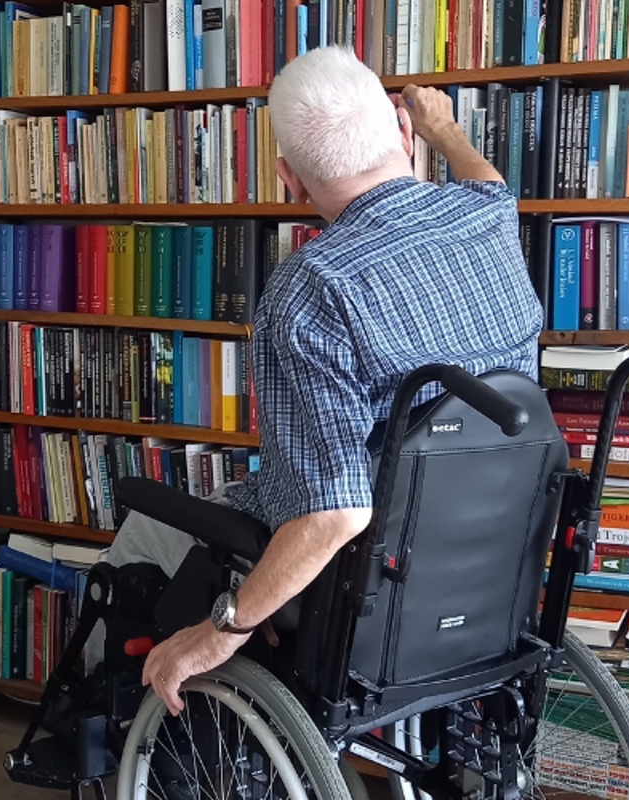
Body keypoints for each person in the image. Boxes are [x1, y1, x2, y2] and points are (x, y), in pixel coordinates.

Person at [103, 46, 543, 716]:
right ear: (403, 132)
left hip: (358, 570)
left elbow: (336, 512)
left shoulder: (311, 289)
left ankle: (104, 728)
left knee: (142, 534)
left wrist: (224, 629)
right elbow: (484, 176)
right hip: (488, 558)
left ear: (290, 179)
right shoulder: (489, 215)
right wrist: (445, 131)